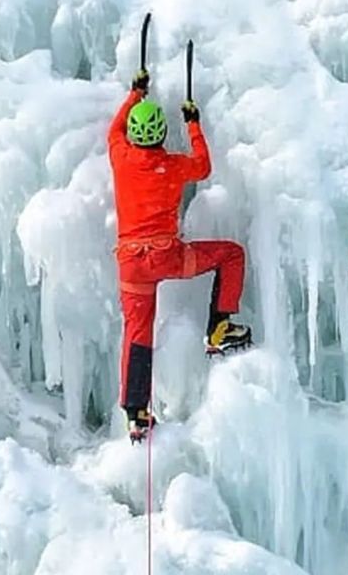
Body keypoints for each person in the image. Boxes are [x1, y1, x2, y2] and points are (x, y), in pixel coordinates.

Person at [108, 69, 252, 442]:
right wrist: (193, 123)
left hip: (131, 265)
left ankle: (136, 412)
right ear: (160, 134)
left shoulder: (121, 158)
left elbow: (114, 131)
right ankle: (218, 328)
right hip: (168, 256)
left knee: (136, 332)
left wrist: (134, 95)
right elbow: (203, 165)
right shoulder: (172, 166)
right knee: (231, 255)